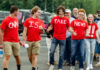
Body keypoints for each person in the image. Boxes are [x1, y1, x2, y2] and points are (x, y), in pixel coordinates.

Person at [47, 6, 70, 70]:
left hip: (63, 39)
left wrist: (72, 31)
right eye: (59, 13)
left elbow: (69, 27)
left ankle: (60, 67)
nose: (60, 15)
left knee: (61, 54)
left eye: (62, 13)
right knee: (51, 51)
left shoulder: (66, 19)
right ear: (58, 12)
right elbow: (51, 26)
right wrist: (49, 29)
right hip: (55, 38)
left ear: (63, 12)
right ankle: (52, 64)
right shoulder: (54, 18)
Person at [22, 6, 45, 70]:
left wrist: (41, 29)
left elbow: (42, 32)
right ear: (34, 12)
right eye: (38, 12)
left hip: (37, 40)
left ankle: (33, 68)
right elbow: (25, 31)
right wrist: (23, 40)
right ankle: (35, 66)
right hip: (29, 40)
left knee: (34, 56)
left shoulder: (40, 21)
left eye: (40, 13)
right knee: (29, 57)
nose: (39, 14)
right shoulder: (28, 20)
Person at [0, 5, 22, 70]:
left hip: (16, 41)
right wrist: (1, 43)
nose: (18, 13)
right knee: (7, 56)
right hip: (7, 41)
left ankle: (19, 68)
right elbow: (1, 32)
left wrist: (19, 40)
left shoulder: (16, 19)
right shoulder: (6, 20)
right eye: (18, 11)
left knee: (17, 56)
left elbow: (16, 31)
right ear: (14, 11)